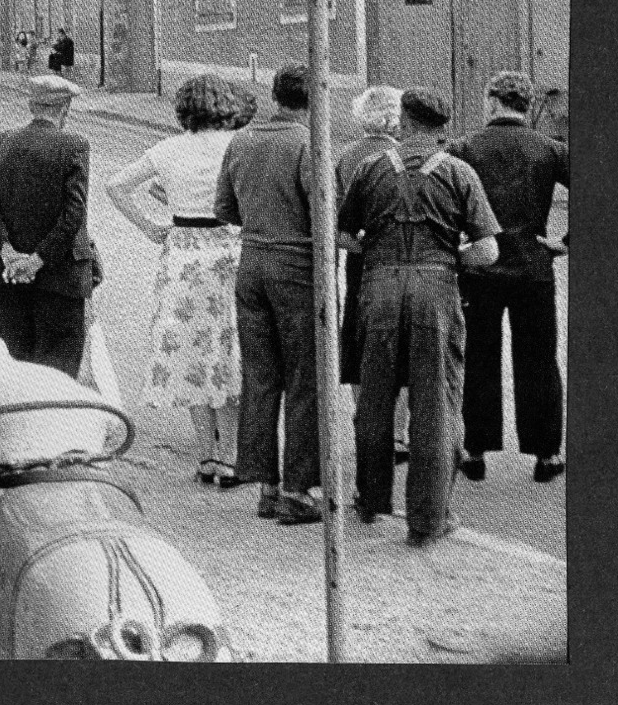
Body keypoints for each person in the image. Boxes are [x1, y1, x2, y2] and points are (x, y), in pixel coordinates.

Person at [339, 89, 501, 546]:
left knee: (375, 397)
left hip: (379, 287)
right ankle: (429, 519)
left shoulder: (372, 169)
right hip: (436, 289)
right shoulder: (459, 172)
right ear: (442, 127)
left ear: (403, 124)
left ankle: (370, 500)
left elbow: (342, 233)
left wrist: (375, 250)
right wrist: (451, 257)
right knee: (436, 402)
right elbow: (488, 251)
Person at [107, 74, 257, 487]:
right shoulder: (236, 146)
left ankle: (207, 454)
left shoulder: (167, 149)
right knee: (227, 350)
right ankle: (230, 455)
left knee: (190, 350)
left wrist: (149, 225)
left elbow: (117, 185)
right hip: (227, 250)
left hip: (182, 253)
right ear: (226, 108)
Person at [212, 63, 321, 525]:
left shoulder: (241, 140)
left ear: (276, 96)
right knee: (304, 377)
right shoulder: (306, 143)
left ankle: (266, 485)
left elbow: (223, 209)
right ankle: (298, 490)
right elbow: (323, 212)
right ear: (312, 98)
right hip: (294, 267)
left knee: (260, 377)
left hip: (251, 263)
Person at [450, 70, 570, 484]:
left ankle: (476, 449)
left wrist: (460, 246)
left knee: (479, 357)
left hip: (481, 267)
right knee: (539, 360)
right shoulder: (549, 149)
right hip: (533, 266)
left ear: (492, 100)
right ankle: (546, 453)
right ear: (525, 104)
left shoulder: (464, 148)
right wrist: (566, 242)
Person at [0, 75, 93, 378]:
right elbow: (73, 215)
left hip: (7, 277)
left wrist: (7, 251)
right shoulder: (74, 145)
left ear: (31, 105)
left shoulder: (0, 142)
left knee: (17, 369)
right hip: (60, 278)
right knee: (58, 375)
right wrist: (37, 261)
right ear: (65, 108)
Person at [337, 85, 411, 463]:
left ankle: (365, 418)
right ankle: (397, 433)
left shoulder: (346, 156)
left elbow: (334, 225)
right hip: (401, 258)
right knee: (397, 342)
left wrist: (361, 246)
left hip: (360, 262)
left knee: (357, 341)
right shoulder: (404, 154)